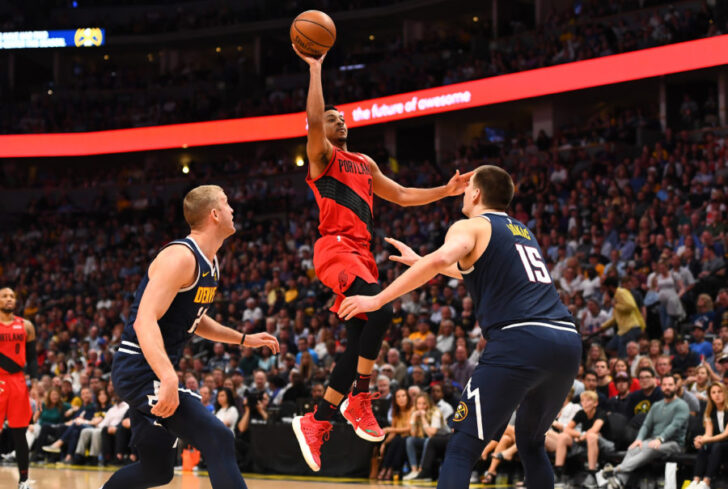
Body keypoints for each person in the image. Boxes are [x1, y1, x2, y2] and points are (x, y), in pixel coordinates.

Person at [338, 165, 582, 489]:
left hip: (520, 339)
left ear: (477, 193)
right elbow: (473, 268)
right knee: (531, 443)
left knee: (462, 448)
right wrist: (421, 260)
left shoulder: (471, 225)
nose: (464, 193)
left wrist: (378, 299)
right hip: (566, 341)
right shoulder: (522, 231)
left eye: (468, 188)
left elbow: (442, 260)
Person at [290, 46, 471, 473]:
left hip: (363, 253)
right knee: (381, 310)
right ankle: (360, 397)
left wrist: (444, 192)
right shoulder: (323, 158)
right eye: (334, 117)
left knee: (359, 338)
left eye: (343, 116)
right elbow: (315, 120)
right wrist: (316, 70)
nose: (340, 120)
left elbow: (404, 195)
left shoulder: (365, 163)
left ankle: (317, 419)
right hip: (334, 248)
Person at [101, 185, 279, 489]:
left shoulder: (211, 262)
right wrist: (168, 377)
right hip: (138, 369)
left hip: (155, 369)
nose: (232, 209)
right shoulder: (180, 257)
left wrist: (243, 339)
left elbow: (194, 320)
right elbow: (145, 320)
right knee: (218, 436)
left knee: (157, 471)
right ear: (214, 214)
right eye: (226, 203)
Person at [598, 375, 689, 489]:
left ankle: (616, 470)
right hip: (654, 440)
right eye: (664, 385)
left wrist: (660, 439)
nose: (667, 387)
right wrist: (639, 439)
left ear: (676, 387)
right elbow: (646, 425)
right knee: (633, 448)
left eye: (670, 385)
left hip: (674, 443)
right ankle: (620, 481)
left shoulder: (682, 405)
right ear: (661, 387)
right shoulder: (656, 405)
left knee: (650, 448)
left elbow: (675, 426)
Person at [0, 287, 39, 489]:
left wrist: (35, 382)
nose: (9, 299)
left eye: (12, 296)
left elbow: (32, 358)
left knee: (19, 432)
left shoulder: (26, 325)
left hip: (18, 382)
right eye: (5, 296)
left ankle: (24, 480)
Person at [688, 382, 728, 489]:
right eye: (713, 392)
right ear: (710, 396)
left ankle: (706, 482)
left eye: (720, 392)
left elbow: (725, 434)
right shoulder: (710, 411)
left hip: (725, 441)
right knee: (705, 447)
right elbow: (708, 434)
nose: (717, 395)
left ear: (725, 393)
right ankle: (695, 481)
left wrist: (707, 440)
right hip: (718, 443)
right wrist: (700, 440)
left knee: (716, 445)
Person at [377, 388, 413, 481]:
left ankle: (390, 469)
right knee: (392, 441)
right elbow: (393, 432)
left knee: (399, 440)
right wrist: (384, 443)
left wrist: (389, 429)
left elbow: (409, 428)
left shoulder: (412, 409)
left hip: (411, 436)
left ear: (408, 398)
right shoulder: (395, 412)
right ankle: (386, 468)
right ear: (395, 400)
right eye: (398, 396)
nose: (401, 398)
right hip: (399, 438)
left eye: (403, 396)